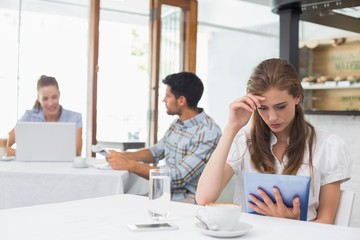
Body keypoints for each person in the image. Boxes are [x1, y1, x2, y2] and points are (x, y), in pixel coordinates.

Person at [196, 58, 351, 224]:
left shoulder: (328, 146)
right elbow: (204, 198)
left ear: (298, 97)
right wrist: (231, 127)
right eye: (263, 108)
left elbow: (326, 222)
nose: (272, 117)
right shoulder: (244, 140)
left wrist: (293, 223)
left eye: (281, 106)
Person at [107, 72, 222, 203]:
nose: (163, 100)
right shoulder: (177, 124)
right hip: (164, 194)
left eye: (168, 96)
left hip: (187, 201)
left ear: (181, 100)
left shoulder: (208, 133)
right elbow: (155, 152)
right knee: (117, 202)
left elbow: (177, 177)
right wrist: (123, 155)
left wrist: (130, 165)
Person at [7, 75, 83, 156]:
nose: (50, 103)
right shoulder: (29, 117)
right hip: (33, 167)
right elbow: (3, 147)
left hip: (64, 168)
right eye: (45, 99)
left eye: (54, 97)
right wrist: (27, 154)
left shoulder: (74, 118)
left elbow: (77, 153)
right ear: (39, 99)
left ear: (59, 95)